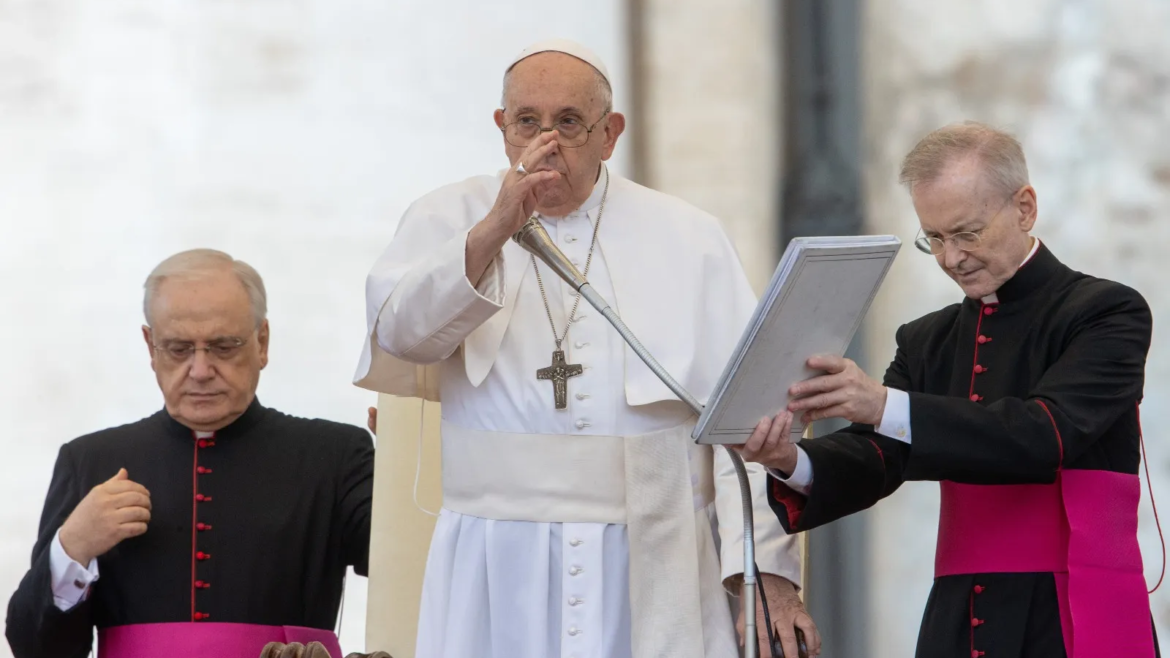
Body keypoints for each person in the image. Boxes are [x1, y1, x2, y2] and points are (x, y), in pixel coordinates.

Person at [354, 39, 818, 658]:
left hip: (656, 552)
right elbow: (399, 338)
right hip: (494, 560)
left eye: (569, 122)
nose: (546, 142)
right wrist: (492, 230)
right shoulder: (447, 217)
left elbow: (753, 420)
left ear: (610, 132)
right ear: (501, 128)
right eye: (527, 122)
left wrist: (767, 575)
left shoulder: (689, 237)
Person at [739, 121, 1161, 657]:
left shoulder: (1105, 312)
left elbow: (1045, 435)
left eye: (967, 233)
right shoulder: (926, 339)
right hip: (961, 615)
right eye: (933, 238)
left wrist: (883, 403)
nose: (950, 258)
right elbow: (879, 456)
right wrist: (789, 458)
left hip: (1071, 608)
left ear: (1025, 208)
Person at [6, 249, 375, 658]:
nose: (200, 371)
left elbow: (416, 572)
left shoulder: (335, 456)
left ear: (262, 342)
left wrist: (412, 464)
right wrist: (72, 547)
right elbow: (34, 647)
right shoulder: (90, 461)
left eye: (223, 346)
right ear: (151, 347)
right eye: (179, 349)